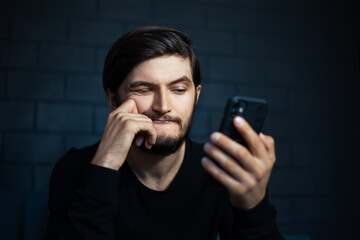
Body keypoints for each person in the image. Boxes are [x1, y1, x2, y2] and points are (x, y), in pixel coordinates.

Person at [45, 26, 284, 240]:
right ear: (112, 99)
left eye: (178, 89)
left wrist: (253, 204)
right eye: (143, 89)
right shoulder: (75, 169)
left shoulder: (220, 171)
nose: (162, 105)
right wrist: (104, 165)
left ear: (196, 95)